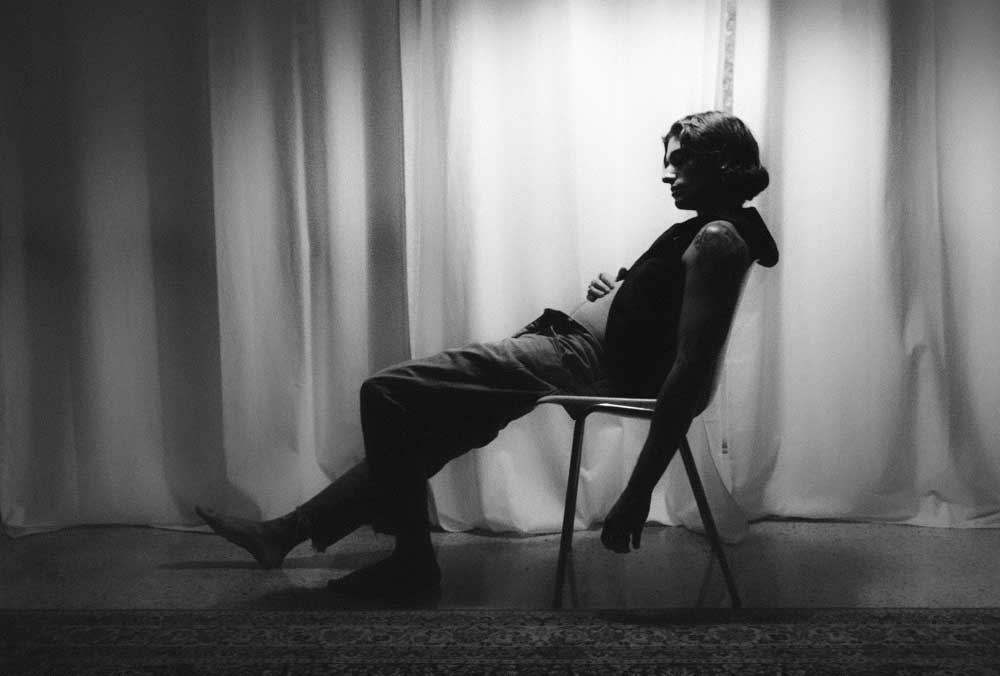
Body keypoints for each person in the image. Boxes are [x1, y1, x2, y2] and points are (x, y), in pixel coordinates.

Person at [196, 110, 778, 600]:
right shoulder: (710, 229)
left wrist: (637, 493)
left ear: (722, 162)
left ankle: (411, 568)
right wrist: (623, 294)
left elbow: (690, 370)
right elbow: (671, 319)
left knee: (387, 391)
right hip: (568, 353)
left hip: (576, 360)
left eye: (682, 161)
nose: (667, 173)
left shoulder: (717, 239)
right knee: (422, 440)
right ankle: (285, 534)